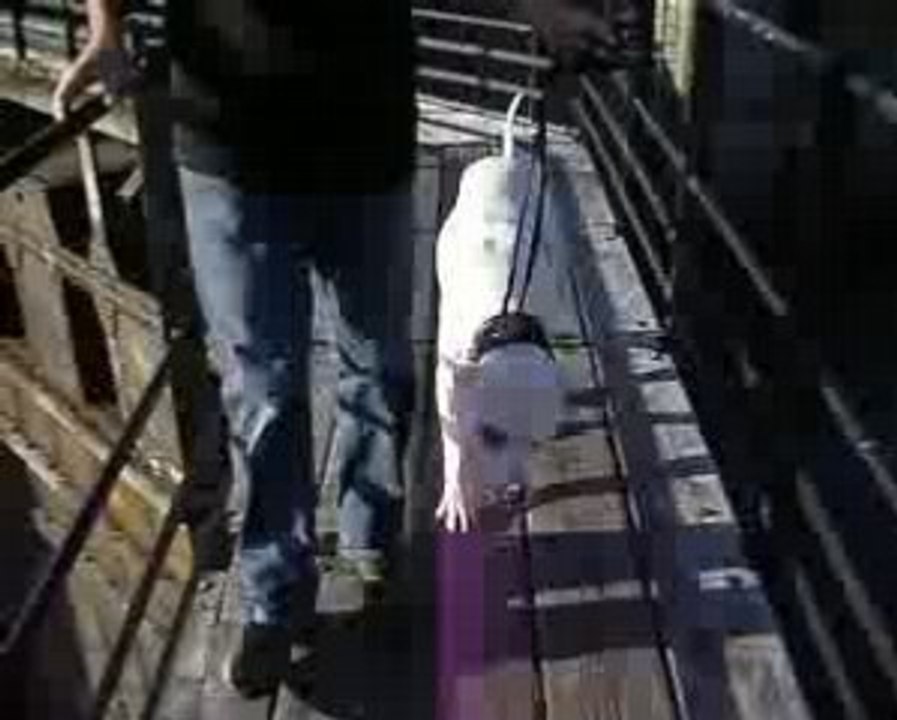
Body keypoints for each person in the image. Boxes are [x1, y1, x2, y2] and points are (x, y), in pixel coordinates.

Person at [55, 0, 639, 699]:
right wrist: (106, 27)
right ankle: (276, 595)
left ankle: (373, 544)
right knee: (263, 387)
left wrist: (535, 8)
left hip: (367, 140)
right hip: (229, 147)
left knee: (380, 364)